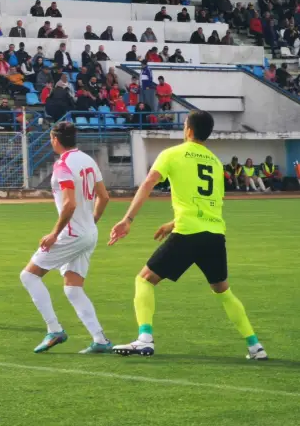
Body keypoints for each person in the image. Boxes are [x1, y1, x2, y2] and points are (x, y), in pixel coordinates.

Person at [108, 110, 267, 360]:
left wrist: (127, 219)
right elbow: (208, 203)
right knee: (223, 291)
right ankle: (255, 346)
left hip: (189, 233)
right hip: (214, 234)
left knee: (144, 280)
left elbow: (148, 182)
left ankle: (144, 339)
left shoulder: (172, 154)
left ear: (189, 130)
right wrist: (172, 223)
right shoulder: (215, 161)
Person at [20, 122, 112, 354]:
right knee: (73, 288)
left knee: (29, 276)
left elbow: (69, 203)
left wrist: (54, 234)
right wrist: (91, 222)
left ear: (54, 139)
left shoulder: (62, 165)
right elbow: (104, 197)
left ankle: (54, 329)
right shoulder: (88, 160)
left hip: (71, 234)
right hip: (88, 232)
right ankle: (100, 340)